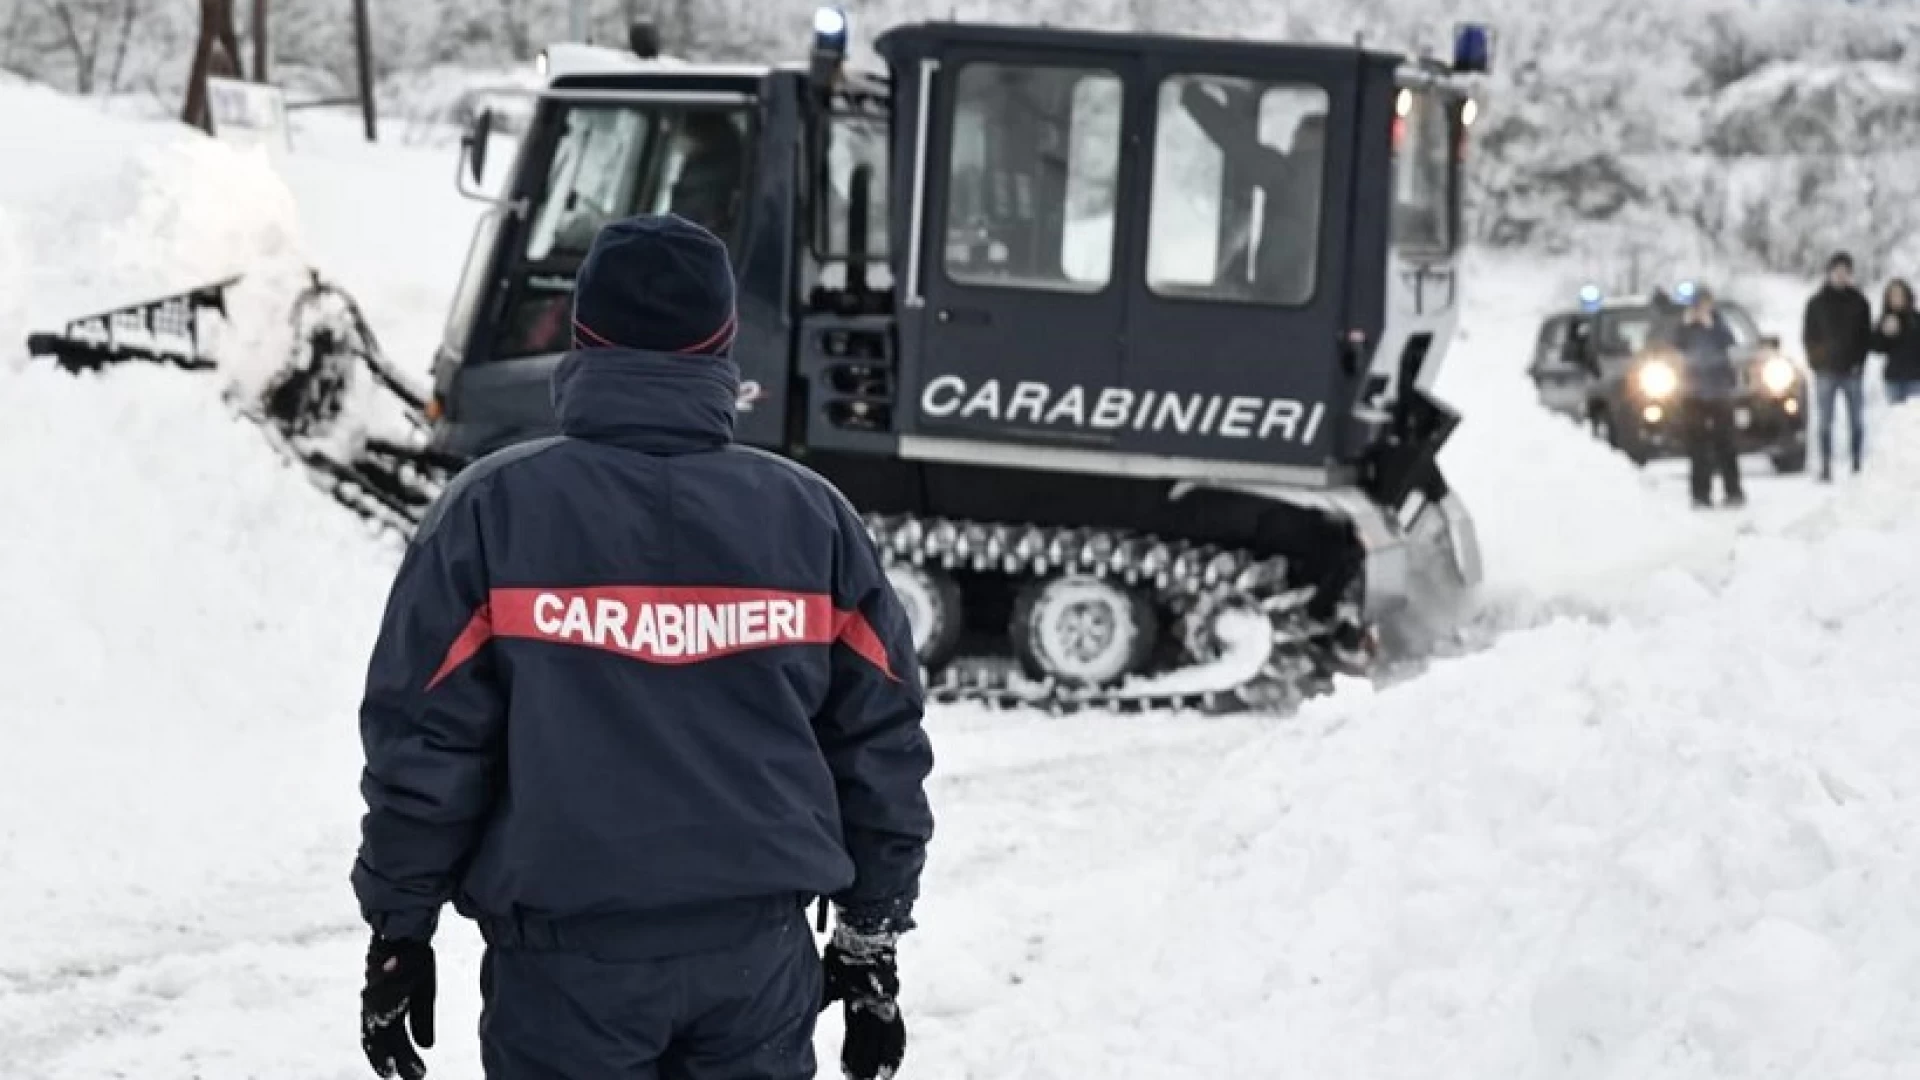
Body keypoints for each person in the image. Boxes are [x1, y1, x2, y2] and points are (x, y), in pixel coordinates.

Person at [352, 214, 935, 1080]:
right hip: (756, 967)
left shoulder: (491, 512)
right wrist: (870, 932)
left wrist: (400, 927)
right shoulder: (813, 520)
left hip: (565, 976)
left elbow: (428, 743)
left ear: (582, 335)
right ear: (724, 344)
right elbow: (878, 739)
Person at [1672, 286, 1746, 509]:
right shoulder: (1684, 327)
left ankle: (1733, 490)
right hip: (1693, 393)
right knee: (1697, 446)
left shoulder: (1719, 325)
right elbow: (1674, 347)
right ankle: (1700, 494)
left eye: (1707, 303)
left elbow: (1731, 344)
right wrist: (1687, 326)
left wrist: (1711, 326)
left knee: (1726, 443)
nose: (1703, 308)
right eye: (1699, 304)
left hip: (1719, 391)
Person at [1802, 250, 1872, 480]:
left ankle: (1856, 462)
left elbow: (1865, 336)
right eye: (1837, 271)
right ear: (1830, 273)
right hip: (1825, 371)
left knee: (1856, 420)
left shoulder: (1859, 301)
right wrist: (1816, 362)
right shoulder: (1817, 302)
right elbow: (1809, 335)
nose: (1841, 276)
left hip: (1852, 370)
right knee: (1825, 421)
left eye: (1845, 272)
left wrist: (1859, 362)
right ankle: (1825, 464)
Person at [1873, 278, 1920, 405]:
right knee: (1896, 421)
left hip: (1916, 380)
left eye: (1900, 295)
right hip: (1893, 379)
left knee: (1913, 421)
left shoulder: (1916, 318)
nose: (1897, 299)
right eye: (1893, 295)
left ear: (1907, 296)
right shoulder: (1884, 319)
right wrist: (1884, 334)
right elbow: (1877, 348)